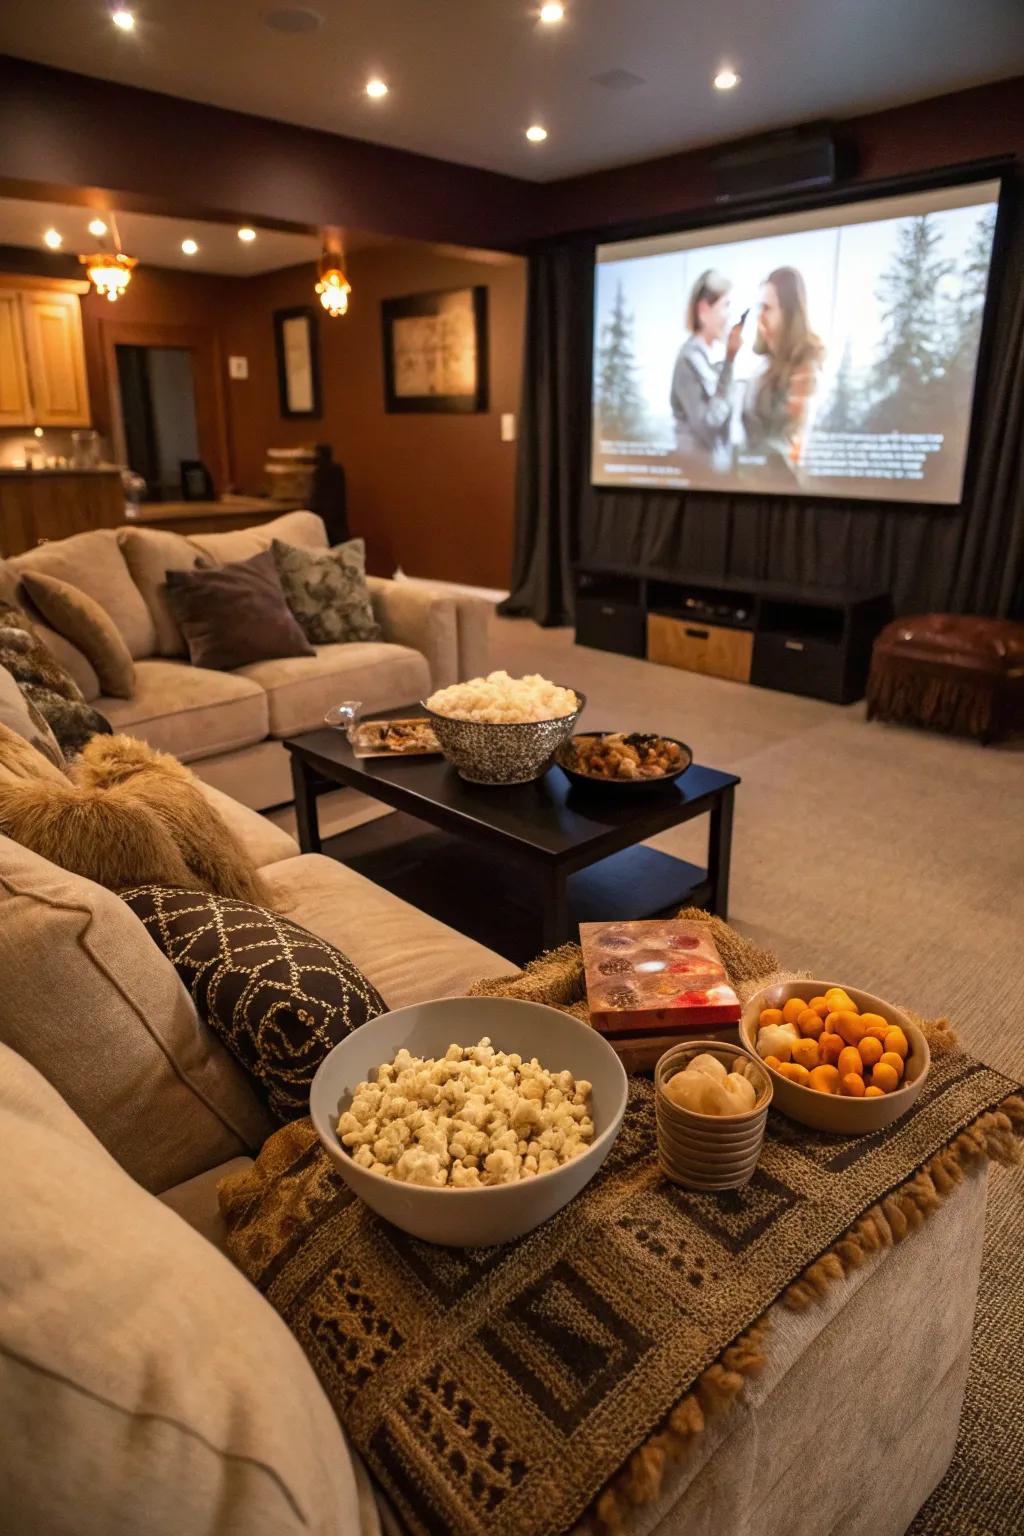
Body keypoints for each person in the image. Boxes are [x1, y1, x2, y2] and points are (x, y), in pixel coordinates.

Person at [742, 266, 825, 480]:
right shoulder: (762, 367)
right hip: (749, 481)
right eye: (759, 308)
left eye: (767, 308)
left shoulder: (806, 368)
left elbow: (790, 441)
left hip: (780, 485)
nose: (760, 317)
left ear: (789, 312)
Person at [669, 269, 744, 475]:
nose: (729, 316)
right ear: (703, 310)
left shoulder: (710, 361)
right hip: (694, 478)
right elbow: (709, 426)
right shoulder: (688, 360)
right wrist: (730, 360)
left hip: (717, 478)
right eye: (725, 306)